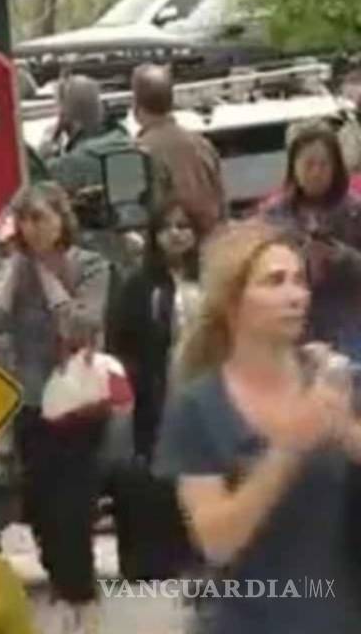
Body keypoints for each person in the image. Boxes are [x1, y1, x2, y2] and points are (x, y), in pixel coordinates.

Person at [155, 220, 361, 632]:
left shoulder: (336, 381)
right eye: (275, 282)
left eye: (300, 281)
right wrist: (287, 449)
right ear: (233, 303)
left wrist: (345, 431)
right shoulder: (197, 405)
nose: (295, 295)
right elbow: (216, 541)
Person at [0, 182, 111, 633]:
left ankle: (81, 597)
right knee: (37, 506)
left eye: (42, 218)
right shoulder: (10, 271)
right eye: (26, 220)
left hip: (78, 402)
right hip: (29, 404)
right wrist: (17, 272)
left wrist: (49, 279)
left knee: (73, 506)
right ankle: (63, 580)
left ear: (61, 219)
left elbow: (82, 323)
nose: (33, 229)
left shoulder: (88, 265)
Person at [107, 201, 202, 462]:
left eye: (183, 226)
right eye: (166, 227)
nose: (175, 233)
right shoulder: (138, 284)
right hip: (157, 391)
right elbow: (120, 340)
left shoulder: (211, 278)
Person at [261, 125, 361, 361]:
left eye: (323, 165)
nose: (316, 173)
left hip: (348, 325)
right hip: (293, 329)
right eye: (308, 164)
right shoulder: (274, 216)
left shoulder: (354, 211)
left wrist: (344, 258)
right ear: (293, 167)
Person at [132, 63, 226, 237]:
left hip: (172, 250)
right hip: (211, 244)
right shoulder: (202, 145)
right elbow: (222, 203)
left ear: (136, 107)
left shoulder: (139, 153)